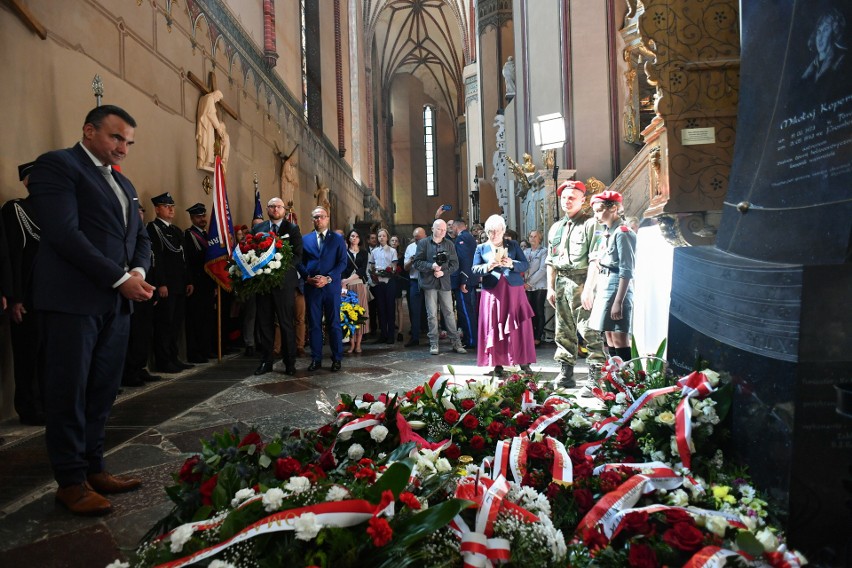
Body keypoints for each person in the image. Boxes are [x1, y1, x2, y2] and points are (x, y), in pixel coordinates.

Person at [28, 104, 154, 516]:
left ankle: (94, 467)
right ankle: (70, 481)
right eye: (117, 138)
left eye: (129, 142)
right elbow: (64, 234)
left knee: (101, 391)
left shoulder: (125, 183)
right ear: (89, 131)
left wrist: (136, 269)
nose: (123, 148)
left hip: (115, 306)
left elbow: (139, 237)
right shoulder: (58, 166)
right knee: (69, 392)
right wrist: (120, 279)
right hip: (72, 302)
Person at [546, 180, 605, 387]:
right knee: (563, 331)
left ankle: (595, 377)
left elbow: (595, 260)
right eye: (564, 197)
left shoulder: (591, 224)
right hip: (562, 282)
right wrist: (550, 287)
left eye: (572, 197)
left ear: (583, 200)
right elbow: (550, 261)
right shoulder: (556, 228)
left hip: (582, 281)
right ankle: (566, 374)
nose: (567, 201)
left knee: (589, 330)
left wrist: (589, 289)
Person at [472, 215, 535, 374]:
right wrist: (487, 267)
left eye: (498, 231)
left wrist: (511, 264)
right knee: (494, 325)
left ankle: (524, 363)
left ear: (503, 230)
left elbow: (525, 265)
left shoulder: (513, 245)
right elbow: (474, 269)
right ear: (487, 232)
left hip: (514, 291)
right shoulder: (481, 248)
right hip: (493, 292)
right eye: (491, 232)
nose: (494, 235)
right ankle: (497, 364)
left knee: (519, 326)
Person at [2, 163, 40, 423]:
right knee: (28, 354)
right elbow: (11, 256)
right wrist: (15, 297)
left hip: (54, 298)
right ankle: (29, 407)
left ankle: (48, 403)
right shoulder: (17, 209)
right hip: (28, 297)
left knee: (49, 355)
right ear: (27, 181)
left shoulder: (54, 211)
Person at [252, 197, 303, 375]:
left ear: (284, 210)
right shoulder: (258, 228)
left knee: (285, 322)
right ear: (267, 209)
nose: (275, 209)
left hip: (284, 283)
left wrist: (280, 267)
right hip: (263, 284)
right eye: (272, 206)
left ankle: (290, 362)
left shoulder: (292, 228)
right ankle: (266, 361)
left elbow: (298, 255)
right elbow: (250, 251)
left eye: (278, 207)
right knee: (264, 323)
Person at [147, 192, 194, 372]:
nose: (171, 209)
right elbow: (156, 258)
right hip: (167, 285)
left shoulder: (175, 231)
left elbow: (184, 259)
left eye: (172, 206)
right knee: (164, 324)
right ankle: (163, 361)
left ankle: (174, 357)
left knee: (175, 324)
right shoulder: (153, 229)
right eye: (167, 206)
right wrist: (161, 283)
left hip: (180, 284)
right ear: (157, 209)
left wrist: (188, 280)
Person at [588, 191, 636, 364]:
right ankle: (614, 381)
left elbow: (627, 269)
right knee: (608, 335)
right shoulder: (607, 231)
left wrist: (619, 301)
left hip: (617, 287)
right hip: (605, 285)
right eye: (594, 212)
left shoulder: (623, 233)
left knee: (619, 337)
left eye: (600, 210)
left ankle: (628, 380)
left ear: (614, 208)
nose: (597, 215)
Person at [300, 206, 348, 371]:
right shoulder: (305, 239)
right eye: (315, 217)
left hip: (331, 287)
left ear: (327, 219)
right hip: (312, 288)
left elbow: (342, 262)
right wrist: (308, 277)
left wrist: (328, 278)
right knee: (314, 324)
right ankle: (316, 359)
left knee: (333, 323)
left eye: (321, 217)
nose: (318, 220)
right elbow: (299, 261)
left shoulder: (337, 239)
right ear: (312, 219)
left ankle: (337, 358)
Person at [413, 219, 467, 356]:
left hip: (444, 282)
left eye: (444, 230)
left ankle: (456, 343)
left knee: (449, 313)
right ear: (432, 229)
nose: (442, 232)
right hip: (429, 283)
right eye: (439, 229)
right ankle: (434, 343)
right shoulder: (423, 243)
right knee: (431, 314)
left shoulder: (449, 244)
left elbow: (455, 264)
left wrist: (443, 271)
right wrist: (431, 266)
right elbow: (417, 263)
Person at [122, 203, 161, 387]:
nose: (140, 214)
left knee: (143, 332)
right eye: (136, 211)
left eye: (141, 211)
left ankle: (139, 367)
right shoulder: (125, 235)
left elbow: (152, 263)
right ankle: (129, 372)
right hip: (129, 289)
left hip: (146, 287)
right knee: (132, 333)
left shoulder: (144, 235)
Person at [184, 203, 216, 363]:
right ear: (192, 218)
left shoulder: (208, 236)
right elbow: (188, 262)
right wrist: (189, 281)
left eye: (204, 216)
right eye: (198, 216)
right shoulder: (189, 235)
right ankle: (195, 352)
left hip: (208, 283)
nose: (202, 219)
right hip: (196, 283)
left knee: (207, 318)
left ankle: (206, 348)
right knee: (196, 320)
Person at [341, 229, 370, 354]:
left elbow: (362, 271)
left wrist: (346, 280)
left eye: (357, 236)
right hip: (347, 287)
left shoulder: (364, 253)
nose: (354, 238)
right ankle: (351, 344)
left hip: (358, 285)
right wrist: (344, 283)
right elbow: (342, 269)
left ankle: (358, 344)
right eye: (352, 236)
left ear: (360, 239)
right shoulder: (344, 253)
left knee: (361, 314)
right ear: (349, 238)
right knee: (349, 314)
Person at [451, 218, 479, 348]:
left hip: (465, 281)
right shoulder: (468, 237)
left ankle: (472, 340)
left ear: (457, 227)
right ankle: (470, 338)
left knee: (466, 311)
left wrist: (463, 280)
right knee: (467, 310)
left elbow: (465, 260)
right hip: (468, 279)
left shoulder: (463, 238)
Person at [368, 228, 397, 344]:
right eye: (379, 236)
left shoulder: (392, 251)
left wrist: (391, 271)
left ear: (387, 237)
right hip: (379, 282)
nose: (381, 238)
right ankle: (383, 334)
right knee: (380, 309)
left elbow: (394, 265)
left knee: (390, 308)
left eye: (383, 236)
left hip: (389, 282)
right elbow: (371, 266)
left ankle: (390, 335)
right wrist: (374, 275)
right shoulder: (374, 252)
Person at [403, 227, 427, 346]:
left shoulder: (431, 246)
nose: (417, 242)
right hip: (414, 281)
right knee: (414, 310)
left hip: (428, 281)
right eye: (415, 239)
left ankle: (432, 338)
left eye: (420, 239)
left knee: (430, 310)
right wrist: (412, 260)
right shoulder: (410, 248)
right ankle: (415, 337)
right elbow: (405, 268)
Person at [524, 230, 548, 346]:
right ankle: (530, 334)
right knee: (530, 311)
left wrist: (530, 282)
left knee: (538, 310)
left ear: (540, 239)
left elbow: (543, 269)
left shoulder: (544, 251)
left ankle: (538, 336)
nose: (532, 238)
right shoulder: (526, 251)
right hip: (526, 284)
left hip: (539, 285)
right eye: (531, 236)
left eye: (535, 236)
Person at [195, 90, 228, 171]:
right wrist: (218, 128)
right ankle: (206, 162)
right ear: (216, 95)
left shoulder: (204, 98)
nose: (217, 101)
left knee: (206, 142)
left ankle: (204, 161)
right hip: (207, 126)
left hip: (206, 125)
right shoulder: (210, 98)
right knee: (208, 143)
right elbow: (211, 114)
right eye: (218, 98)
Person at [390, 234, 407, 341]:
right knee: (391, 306)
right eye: (392, 240)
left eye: (396, 241)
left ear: (398, 243)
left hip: (399, 283)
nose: (394, 242)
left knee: (399, 307)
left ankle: (400, 331)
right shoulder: (387, 254)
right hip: (390, 282)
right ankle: (392, 327)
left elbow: (404, 271)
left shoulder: (402, 256)